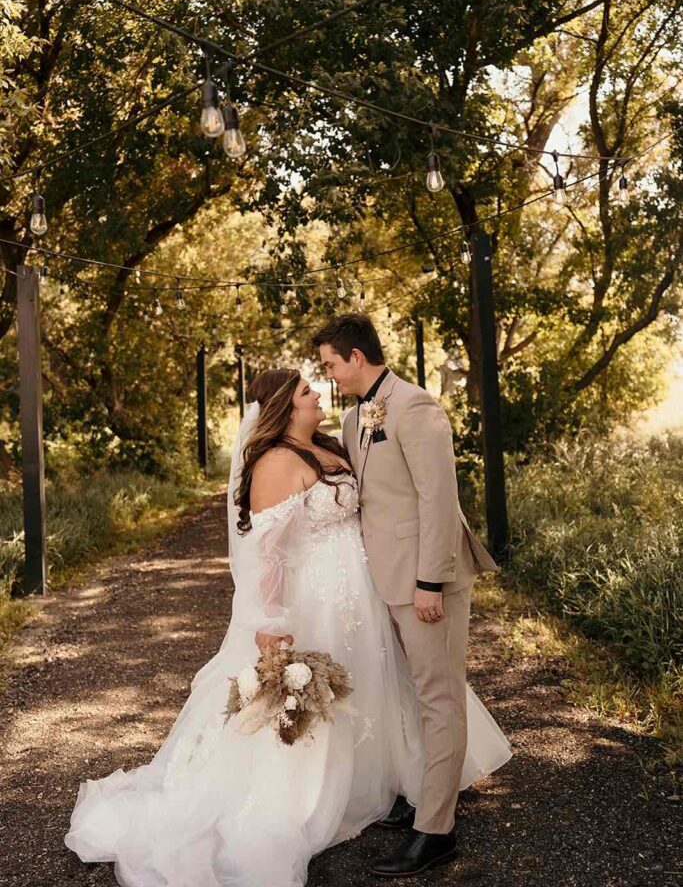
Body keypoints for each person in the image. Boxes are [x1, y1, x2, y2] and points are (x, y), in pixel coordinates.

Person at [64, 368, 511, 886]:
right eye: (305, 391)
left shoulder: (332, 442)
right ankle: (324, 793)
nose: (317, 393)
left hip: (365, 590)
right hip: (319, 599)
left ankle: (395, 785)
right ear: (284, 406)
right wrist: (271, 623)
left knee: (382, 683)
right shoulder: (275, 463)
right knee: (333, 692)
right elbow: (267, 556)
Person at [314, 313, 500, 878]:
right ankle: (421, 790)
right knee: (409, 694)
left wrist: (429, 582)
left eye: (329, 364)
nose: (328, 375)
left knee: (439, 698)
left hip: (425, 581)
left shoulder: (417, 407)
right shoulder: (353, 418)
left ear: (356, 358)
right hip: (384, 581)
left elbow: (438, 501)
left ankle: (436, 831)